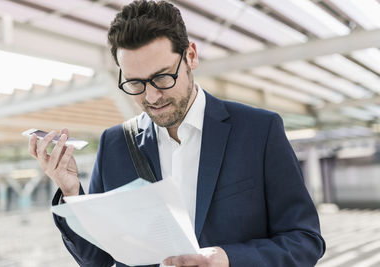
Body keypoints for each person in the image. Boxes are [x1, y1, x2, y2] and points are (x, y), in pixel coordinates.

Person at [28, 1, 326, 266]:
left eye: (162, 77)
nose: (152, 96)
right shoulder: (115, 144)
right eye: (135, 83)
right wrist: (71, 193)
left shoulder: (259, 131)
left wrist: (228, 259)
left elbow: (305, 240)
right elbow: (98, 260)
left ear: (191, 56)